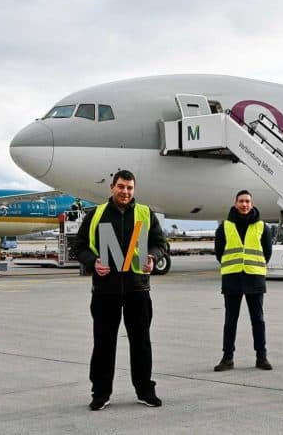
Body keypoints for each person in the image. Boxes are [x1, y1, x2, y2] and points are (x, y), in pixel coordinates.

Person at [74, 170, 168, 411]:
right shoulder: (96, 215)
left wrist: (152, 256)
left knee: (141, 343)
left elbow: (161, 244)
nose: (125, 192)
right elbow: (80, 246)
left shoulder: (146, 214)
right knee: (104, 344)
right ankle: (101, 393)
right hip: (105, 291)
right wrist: (92, 262)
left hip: (138, 289)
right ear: (112, 188)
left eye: (129, 188)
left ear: (134, 190)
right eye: (121, 187)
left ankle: (145, 391)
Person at [213, 190, 273, 371]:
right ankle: (227, 357)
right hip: (232, 277)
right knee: (230, 320)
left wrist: (256, 266)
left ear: (252, 204)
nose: (244, 204)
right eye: (241, 201)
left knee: (258, 320)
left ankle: (261, 357)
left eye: (247, 201)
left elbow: (267, 252)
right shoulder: (224, 226)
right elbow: (219, 252)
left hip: (254, 277)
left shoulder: (262, 227)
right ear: (235, 203)